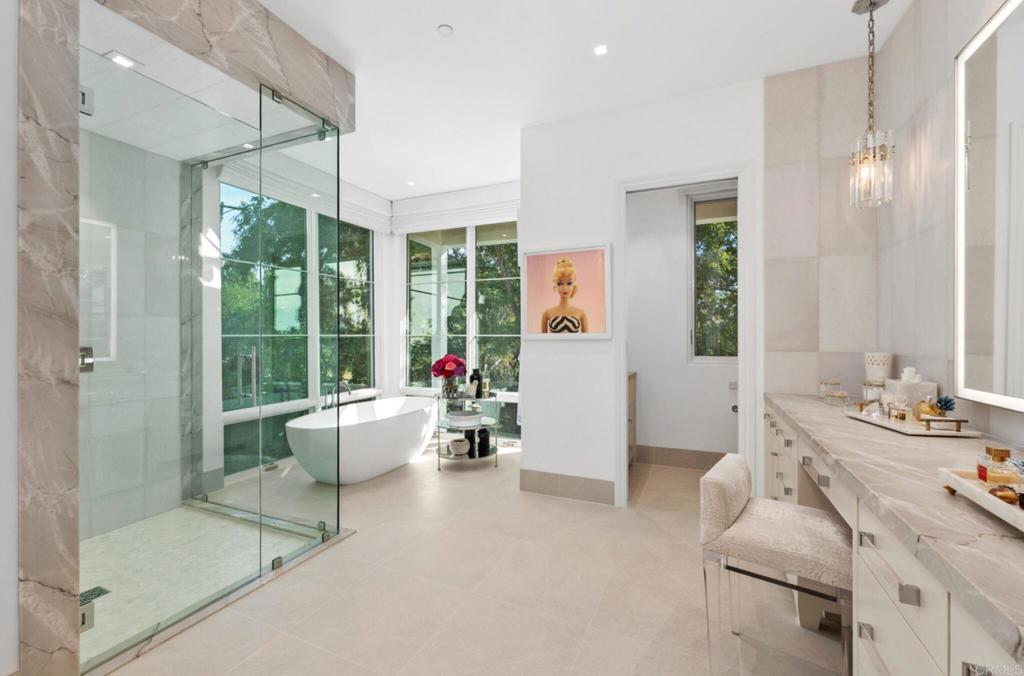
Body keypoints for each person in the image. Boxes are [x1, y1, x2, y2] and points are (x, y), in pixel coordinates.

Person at [541, 257, 589, 333]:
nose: (565, 288)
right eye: (560, 283)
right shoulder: (547, 313)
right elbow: (543, 342)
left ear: (574, 282)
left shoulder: (581, 313)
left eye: (569, 283)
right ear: (555, 283)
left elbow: (587, 342)